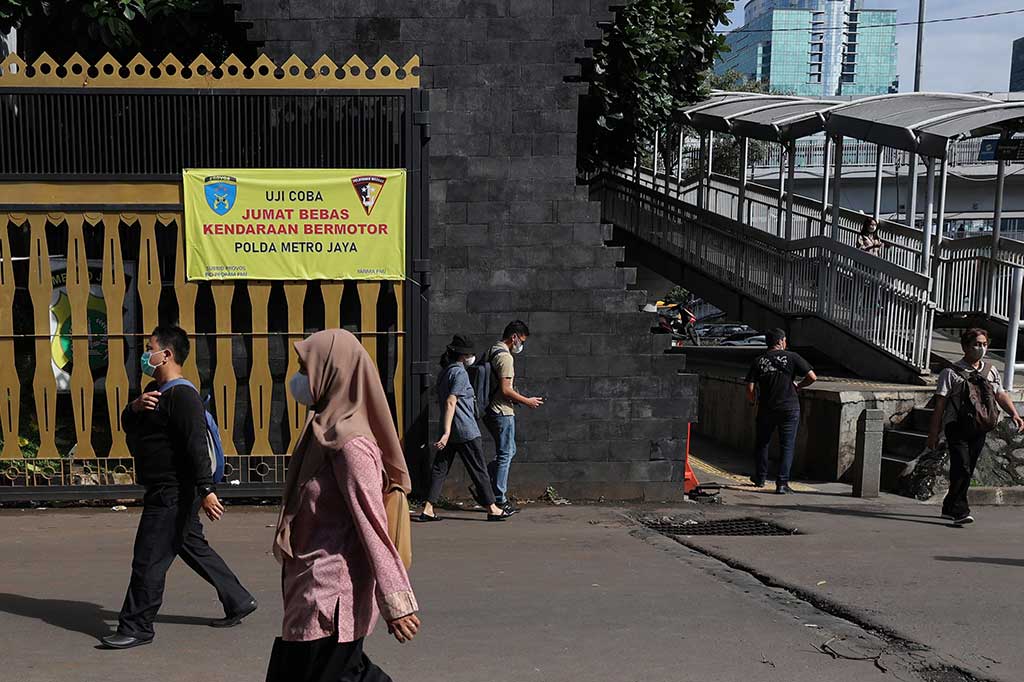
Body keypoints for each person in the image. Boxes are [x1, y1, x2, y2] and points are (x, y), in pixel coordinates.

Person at [268, 329, 419, 682]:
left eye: (306, 369)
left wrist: (396, 601)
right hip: (308, 586)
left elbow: (373, 525)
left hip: (330, 595)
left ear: (331, 371)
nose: (299, 379)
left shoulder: (350, 446)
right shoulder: (322, 430)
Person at [102, 326, 256, 650]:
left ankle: (137, 626)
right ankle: (238, 599)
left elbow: (196, 445)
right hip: (167, 491)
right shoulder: (153, 392)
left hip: (171, 494)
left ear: (166, 354)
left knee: (148, 559)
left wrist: (206, 489)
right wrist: (133, 407)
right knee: (192, 546)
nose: (145, 355)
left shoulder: (183, 396)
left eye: (150, 348)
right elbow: (129, 425)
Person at [927, 328, 1024, 525]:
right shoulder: (950, 373)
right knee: (961, 466)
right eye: (976, 344)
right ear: (965, 347)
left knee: (967, 468)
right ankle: (960, 511)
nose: (981, 348)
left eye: (984, 344)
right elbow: (940, 405)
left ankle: (949, 506)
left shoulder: (990, 370)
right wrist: (933, 433)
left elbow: (1000, 394)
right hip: (956, 426)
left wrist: (1014, 413)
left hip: (979, 427)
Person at [419, 334, 513, 522]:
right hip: (465, 429)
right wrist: (446, 433)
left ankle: (428, 508)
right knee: (478, 469)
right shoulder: (460, 372)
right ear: (464, 356)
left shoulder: (445, 372)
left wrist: (446, 432)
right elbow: (451, 401)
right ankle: (492, 508)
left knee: (440, 468)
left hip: (451, 429)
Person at [745, 328, 817, 494]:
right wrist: (799, 385)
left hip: (766, 408)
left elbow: (749, 387)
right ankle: (782, 483)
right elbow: (812, 377)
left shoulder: (759, 361)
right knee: (787, 445)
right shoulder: (792, 357)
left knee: (762, 443)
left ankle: (760, 478)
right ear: (781, 341)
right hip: (789, 407)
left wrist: (752, 402)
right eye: (785, 340)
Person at [484, 321, 544, 513]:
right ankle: (499, 498)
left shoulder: (492, 350)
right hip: (502, 412)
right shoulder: (506, 358)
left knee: (509, 451)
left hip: (491, 410)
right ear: (514, 337)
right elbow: (506, 390)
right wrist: (528, 401)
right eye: (521, 340)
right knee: (505, 455)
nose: (521, 345)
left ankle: (483, 481)